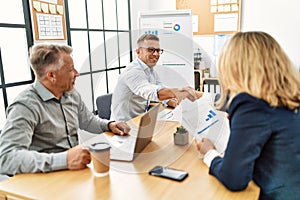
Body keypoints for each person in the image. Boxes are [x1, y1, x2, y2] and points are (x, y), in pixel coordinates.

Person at [195, 31, 300, 199]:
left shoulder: (251, 106)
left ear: (235, 68)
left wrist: (209, 153)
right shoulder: (289, 97)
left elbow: (234, 178)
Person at [0, 44, 130, 176]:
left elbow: (88, 121)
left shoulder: (71, 94)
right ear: (51, 76)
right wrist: (64, 160)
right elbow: (6, 159)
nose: (77, 73)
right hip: (43, 178)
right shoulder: (25, 106)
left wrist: (109, 125)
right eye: (70, 70)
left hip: (73, 171)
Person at [111, 34, 202, 121]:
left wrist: (172, 101)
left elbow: (160, 88)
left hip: (139, 119)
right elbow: (153, 92)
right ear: (138, 52)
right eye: (150, 50)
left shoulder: (150, 70)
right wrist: (183, 92)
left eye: (158, 51)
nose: (155, 54)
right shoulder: (133, 72)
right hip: (123, 125)